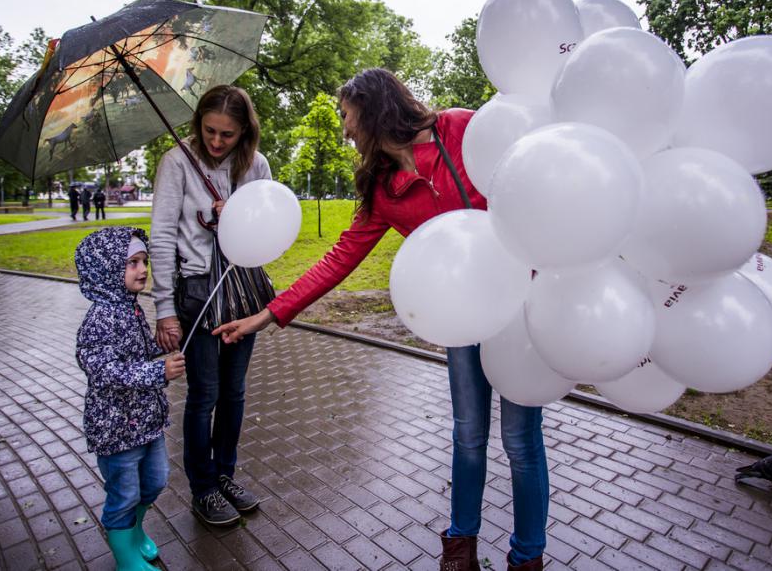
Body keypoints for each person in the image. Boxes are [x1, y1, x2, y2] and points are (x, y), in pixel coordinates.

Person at [213, 68, 549, 570]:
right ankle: (460, 549)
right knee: (468, 435)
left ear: (373, 110)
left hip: (519, 308)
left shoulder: (457, 128)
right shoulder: (382, 188)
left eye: (348, 117)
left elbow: (529, 184)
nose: (346, 130)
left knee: (520, 441)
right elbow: (339, 259)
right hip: (461, 318)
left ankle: (526, 558)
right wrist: (268, 314)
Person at [151, 85, 272, 526]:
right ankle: (202, 488)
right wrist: (164, 308)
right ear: (198, 123)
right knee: (205, 394)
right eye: (210, 131)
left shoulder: (256, 165)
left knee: (235, 392)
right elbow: (162, 236)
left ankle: (224, 476)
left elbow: (267, 229)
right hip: (198, 289)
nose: (218, 142)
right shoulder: (177, 161)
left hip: (242, 288)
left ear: (245, 132)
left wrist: (239, 215)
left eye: (228, 134)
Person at [74, 226, 186, 570]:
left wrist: (160, 347)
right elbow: (105, 371)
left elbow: (133, 352)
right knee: (123, 495)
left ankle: (135, 534)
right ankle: (125, 558)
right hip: (116, 428)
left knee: (154, 481)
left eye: (144, 260)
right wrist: (157, 372)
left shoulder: (130, 308)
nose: (143, 269)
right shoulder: (99, 319)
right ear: (107, 269)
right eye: (132, 263)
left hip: (145, 421)